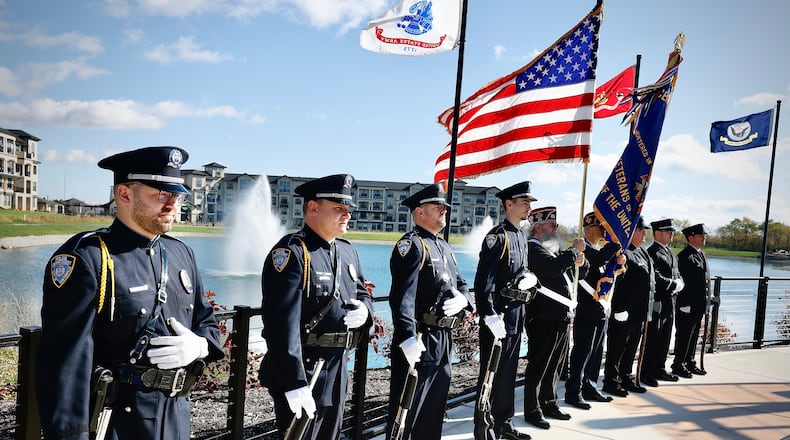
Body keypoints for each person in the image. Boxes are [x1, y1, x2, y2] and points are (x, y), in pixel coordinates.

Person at [36, 146, 224, 439]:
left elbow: (208, 324)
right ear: (124, 195)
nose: (173, 205)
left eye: (176, 196)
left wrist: (199, 346)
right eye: (161, 195)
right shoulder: (90, 258)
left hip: (175, 418)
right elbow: (64, 367)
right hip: (117, 423)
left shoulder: (180, 253)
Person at [258, 174, 374, 439]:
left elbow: (361, 292)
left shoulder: (346, 252)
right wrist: (294, 381)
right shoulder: (292, 252)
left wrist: (366, 311)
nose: (347, 215)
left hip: (336, 367)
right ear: (313, 208)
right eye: (338, 209)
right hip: (306, 369)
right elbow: (280, 324)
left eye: (348, 209)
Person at [386, 184, 474, 440]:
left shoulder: (444, 247)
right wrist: (407, 337)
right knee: (406, 412)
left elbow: (462, 285)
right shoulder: (411, 246)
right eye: (437, 208)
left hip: (443, 339)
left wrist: (464, 300)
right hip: (420, 339)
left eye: (444, 208)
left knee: (434, 411)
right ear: (419, 212)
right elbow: (402, 298)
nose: (444, 212)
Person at [473, 181, 537, 440]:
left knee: (508, 373)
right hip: (497, 318)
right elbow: (483, 283)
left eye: (530, 203)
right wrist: (488, 314)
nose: (529, 208)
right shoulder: (497, 238)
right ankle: (483, 427)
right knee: (490, 375)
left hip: (515, 316)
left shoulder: (521, 236)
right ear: (508, 203)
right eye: (524, 203)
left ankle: (504, 423)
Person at [522, 206, 587, 430]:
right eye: (552, 225)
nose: (556, 229)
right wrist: (572, 252)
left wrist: (580, 260)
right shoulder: (532, 249)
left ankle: (549, 403)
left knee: (556, 365)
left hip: (560, 315)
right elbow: (551, 269)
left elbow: (574, 272)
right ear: (538, 228)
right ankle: (532, 409)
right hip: (542, 317)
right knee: (539, 365)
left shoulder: (553, 249)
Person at [564, 212, 624, 409]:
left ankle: (590, 386)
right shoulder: (584, 251)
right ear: (589, 228)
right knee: (582, 351)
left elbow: (607, 271)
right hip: (586, 309)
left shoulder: (600, 251)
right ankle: (574, 391)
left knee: (597, 351)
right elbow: (597, 262)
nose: (604, 231)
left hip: (601, 308)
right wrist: (616, 243)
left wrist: (620, 263)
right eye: (601, 227)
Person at [602, 216, 654, 397]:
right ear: (631, 232)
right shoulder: (624, 253)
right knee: (617, 348)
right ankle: (611, 381)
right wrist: (618, 308)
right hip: (624, 312)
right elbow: (617, 283)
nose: (644, 234)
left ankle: (625, 377)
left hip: (639, 312)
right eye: (641, 230)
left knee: (631, 348)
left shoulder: (642, 253)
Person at [642, 218, 685, 386]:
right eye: (668, 232)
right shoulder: (651, 252)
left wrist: (680, 282)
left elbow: (677, 272)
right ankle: (647, 372)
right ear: (658, 233)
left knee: (665, 338)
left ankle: (659, 368)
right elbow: (656, 276)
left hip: (669, 302)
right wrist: (672, 284)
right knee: (653, 339)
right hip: (657, 302)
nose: (671, 234)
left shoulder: (671, 252)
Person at [671, 223, 711, 378]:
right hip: (687, 304)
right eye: (701, 236)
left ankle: (690, 362)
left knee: (694, 335)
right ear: (691, 237)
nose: (704, 238)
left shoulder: (701, 254)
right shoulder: (684, 256)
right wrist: (684, 303)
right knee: (684, 335)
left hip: (699, 303)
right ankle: (678, 364)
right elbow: (683, 282)